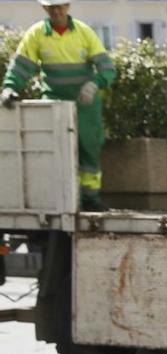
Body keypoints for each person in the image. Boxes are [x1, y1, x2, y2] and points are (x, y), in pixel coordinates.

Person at [1, 0, 115, 212]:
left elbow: (107, 69)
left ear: (68, 6)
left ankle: (90, 199)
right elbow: (21, 68)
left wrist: (94, 84)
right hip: (53, 103)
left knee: (88, 150)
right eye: (51, 6)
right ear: (44, 8)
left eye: (60, 6)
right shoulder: (36, 34)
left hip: (85, 104)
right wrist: (9, 88)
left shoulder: (84, 32)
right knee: (52, 152)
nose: (56, 10)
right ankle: (53, 198)